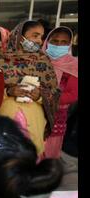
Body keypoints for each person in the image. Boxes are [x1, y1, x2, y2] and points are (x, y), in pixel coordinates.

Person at [0, 20, 60, 157]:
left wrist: (40, 95)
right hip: (4, 118)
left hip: (34, 120)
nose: (39, 41)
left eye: (41, 37)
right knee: (1, 157)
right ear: (19, 36)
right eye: (35, 36)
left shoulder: (44, 62)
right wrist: (9, 91)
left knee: (29, 159)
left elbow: (55, 93)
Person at [42, 26, 78, 159]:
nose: (58, 45)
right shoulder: (38, 61)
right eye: (55, 41)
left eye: (64, 42)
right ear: (47, 41)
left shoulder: (73, 65)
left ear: (69, 45)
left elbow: (73, 94)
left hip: (56, 116)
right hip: (34, 112)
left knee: (49, 153)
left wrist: (45, 97)